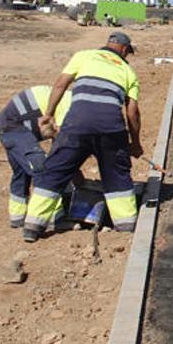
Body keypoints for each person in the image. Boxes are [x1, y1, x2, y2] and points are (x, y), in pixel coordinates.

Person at [22, 32, 143, 242]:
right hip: (111, 128)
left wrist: (49, 114)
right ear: (124, 50)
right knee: (117, 175)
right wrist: (135, 143)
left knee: (55, 170)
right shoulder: (128, 71)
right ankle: (125, 227)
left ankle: (32, 226)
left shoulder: (83, 56)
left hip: (77, 125)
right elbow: (132, 112)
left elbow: (60, 84)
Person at [0, 85, 74, 228]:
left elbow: (59, 143)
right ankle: (53, 217)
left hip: (8, 126)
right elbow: (62, 142)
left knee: (22, 172)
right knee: (42, 169)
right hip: (13, 127)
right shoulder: (71, 106)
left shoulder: (72, 99)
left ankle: (17, 217)